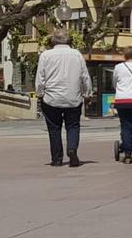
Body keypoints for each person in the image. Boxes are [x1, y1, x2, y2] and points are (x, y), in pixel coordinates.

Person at [35, 29, 91, 167]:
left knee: (54, 129)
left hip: (51, 97)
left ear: (52, 41)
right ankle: (72, 149)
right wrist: (88, 93)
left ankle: (57, 159)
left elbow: (40, 77)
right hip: (73, 97)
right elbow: (85, 76)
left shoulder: (45, 55)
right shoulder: (76, 54)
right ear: (69, 40)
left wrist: (39, 93)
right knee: (73, 126)